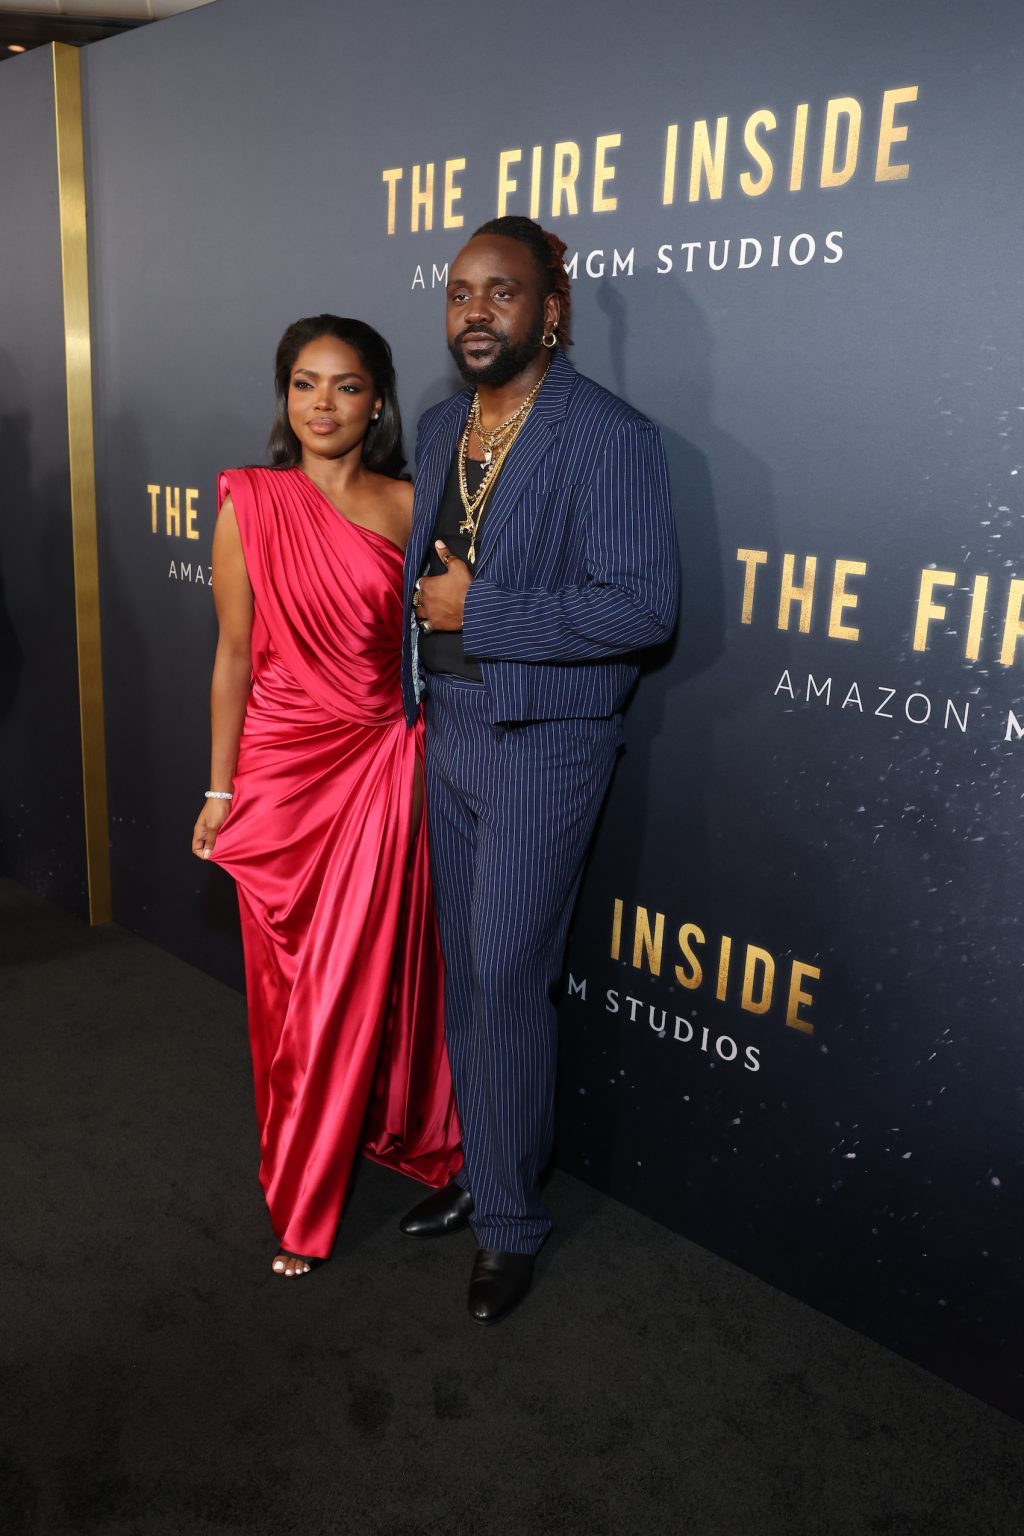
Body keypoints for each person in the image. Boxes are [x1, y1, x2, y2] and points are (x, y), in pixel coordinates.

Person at [398, 217, 679, 1323]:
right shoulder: (438, 426)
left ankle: (511, 1223)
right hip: (450, 730)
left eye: (501, 291)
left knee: (508, 974)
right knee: (470, 976)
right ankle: (488, 1168)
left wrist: (484, 613)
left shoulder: (608, 435)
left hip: (543, 742)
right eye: (460, 291)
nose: (476, 311)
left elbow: (643, 607)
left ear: (549, 310)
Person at [191, 315, 461, 1277]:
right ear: (285, 395)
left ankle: (311, 1199)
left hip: (381, 765)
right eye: (305, 384)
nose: (323, 405)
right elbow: (233, 655)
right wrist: (220, 787)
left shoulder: (413, 504)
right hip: (278, 769)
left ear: (377, 401)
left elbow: (446, 636)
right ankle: (305, 1160)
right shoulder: (250, 501)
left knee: (354, 979)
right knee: (288, 991)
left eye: (346, 386)